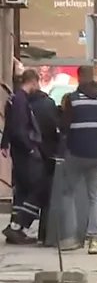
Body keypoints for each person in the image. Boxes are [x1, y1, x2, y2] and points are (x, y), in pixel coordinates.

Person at [57, 65, 97, 254]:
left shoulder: (73, 100)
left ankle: (71, 237)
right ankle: (93, 240)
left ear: (80, 77)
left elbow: (64, 128)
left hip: (75, 152)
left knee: (68, 193)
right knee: (94, 196)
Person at [2, 70, 45, 245]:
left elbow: (9, 124)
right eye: (38, 83)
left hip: (17, 151)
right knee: (37, 189)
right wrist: (30, 149)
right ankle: (19, 225)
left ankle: (15, 227)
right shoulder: (21, 100)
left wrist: (4, 143)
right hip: (24, 152)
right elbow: (19, 128)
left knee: (22, 190)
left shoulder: (13, 98)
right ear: (33, 82)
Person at [28, 79, 60, 245]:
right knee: (49, 195)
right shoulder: (49, 105)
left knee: (35, 191)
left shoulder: (26, 104)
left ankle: (28, 227)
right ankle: (46, 234)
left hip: (32, 152)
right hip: (50, 153)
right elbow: (54, 129)